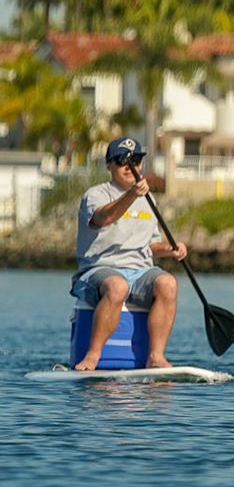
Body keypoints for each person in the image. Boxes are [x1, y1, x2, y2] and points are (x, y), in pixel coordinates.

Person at [72, 137, 187, 371]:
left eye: (135, 160)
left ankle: (156, 357)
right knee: (117, 286)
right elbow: (104, 218)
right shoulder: (95, 195)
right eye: (122, 160)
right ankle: (92, 357)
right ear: (109, 165)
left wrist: (171, 250)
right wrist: (132, 195)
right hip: (99, 269)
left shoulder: (149, 199)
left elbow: (150, 246)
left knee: (168, 283)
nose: (130, 166)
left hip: (140, 271)